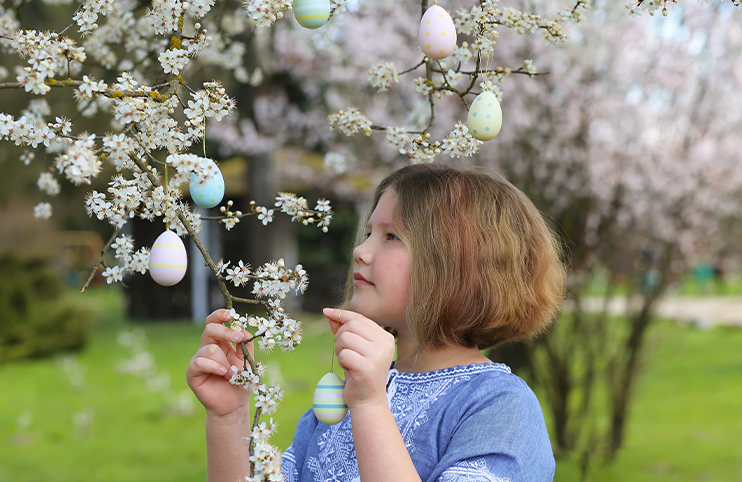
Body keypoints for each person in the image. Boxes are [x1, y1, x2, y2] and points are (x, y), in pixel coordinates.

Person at [187, 163, 567, 482]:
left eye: (392, 236)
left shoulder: (498, 406)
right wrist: (229, 418)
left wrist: (370, 405)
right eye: (369, 233)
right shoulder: (344, 396)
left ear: (463, 267)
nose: (360, 250)